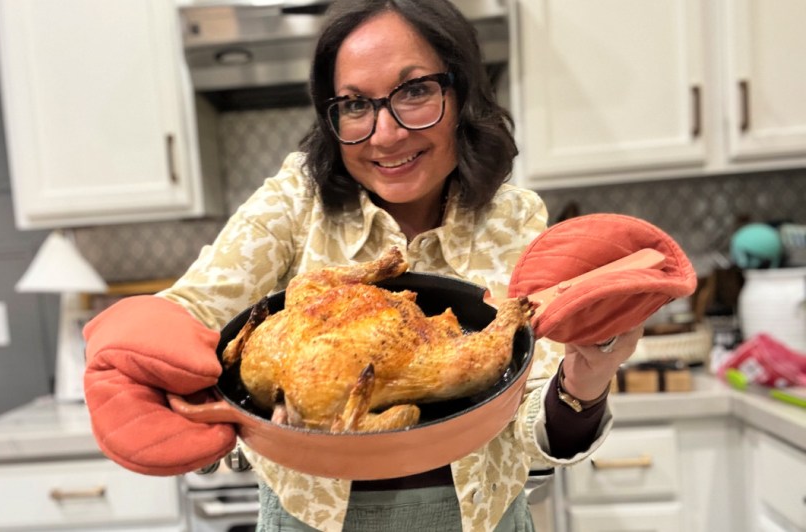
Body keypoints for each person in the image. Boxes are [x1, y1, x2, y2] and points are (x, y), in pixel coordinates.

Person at [82, 0, 645, 530]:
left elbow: (534, 428)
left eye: (415, 91)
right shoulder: (295, 202)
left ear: (462, 93)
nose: (387, 133)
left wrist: (587, 380)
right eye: (355, 104)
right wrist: (148, 351)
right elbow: (196, 312)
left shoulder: (515, 219)